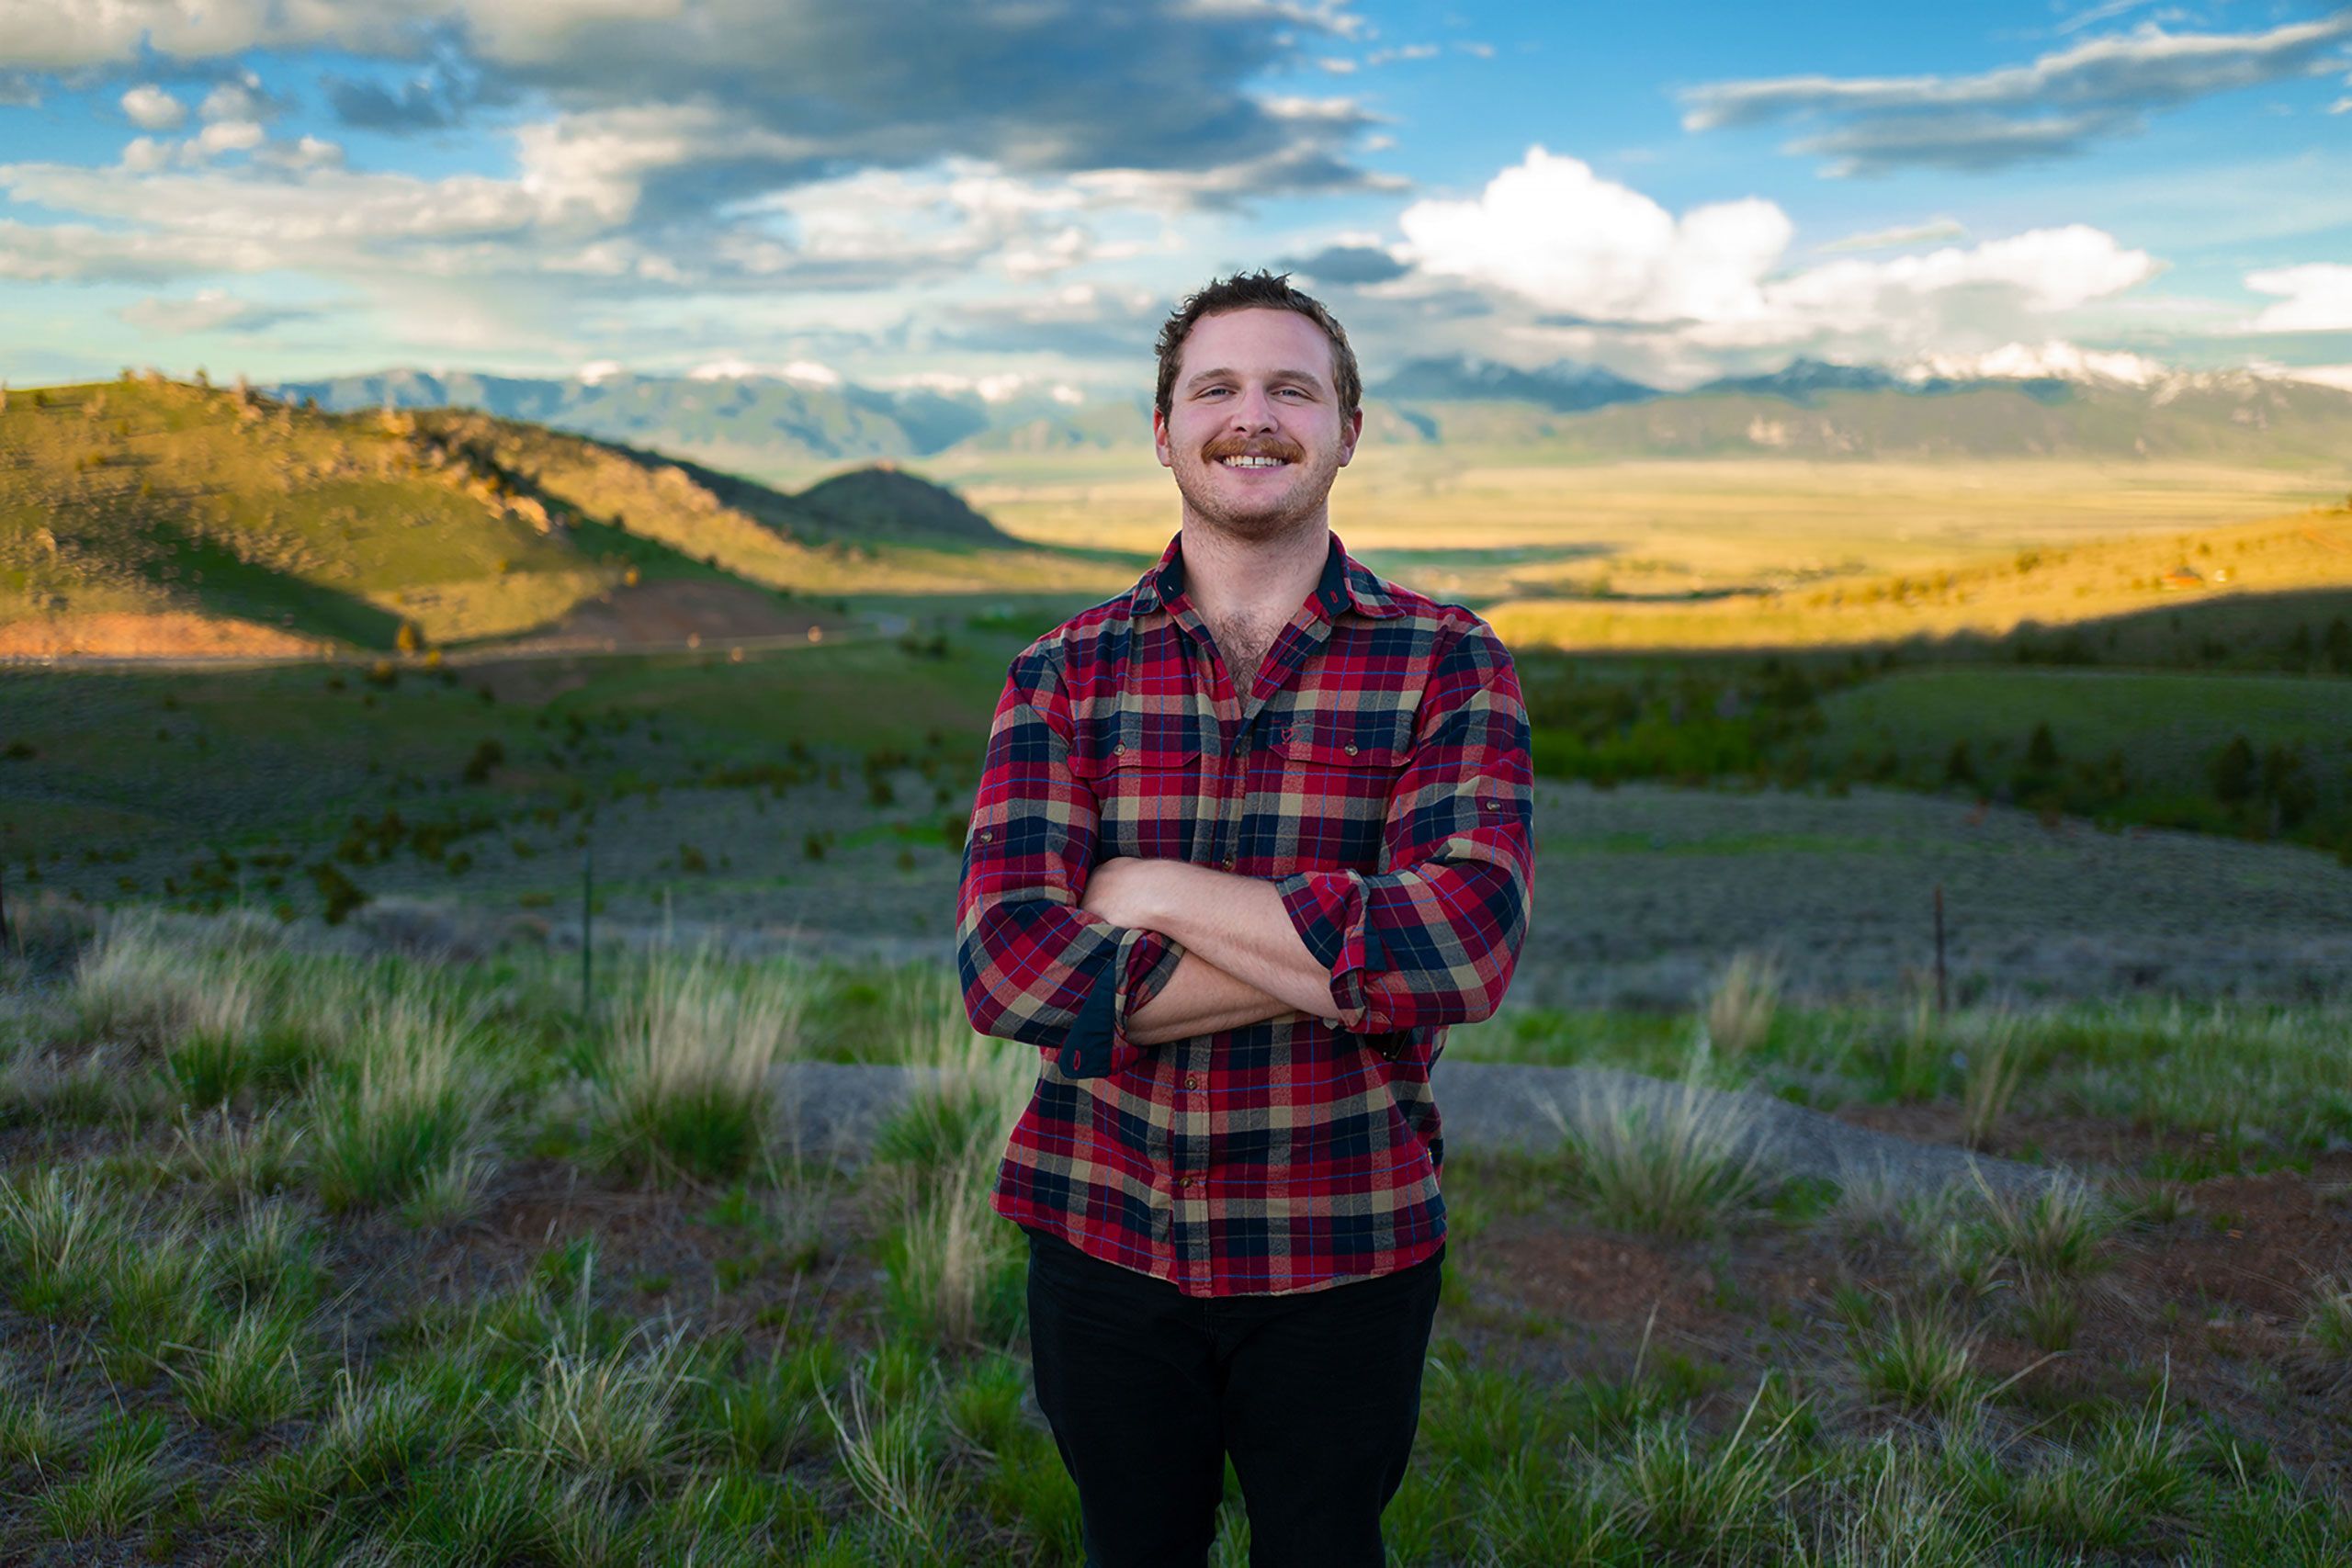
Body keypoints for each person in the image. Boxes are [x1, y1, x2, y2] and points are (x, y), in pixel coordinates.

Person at [956, 269, 1535, 1568]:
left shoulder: (1449, 662)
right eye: (1215, 388)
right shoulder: (1062, 673)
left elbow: (1461, 948)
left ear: (1347, 430)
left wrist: (1149, 895)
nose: (1252, 416)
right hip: (1102, 1234)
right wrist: (1349, 958)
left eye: (1292, 389)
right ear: (1162, 431)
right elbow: (1007, 973)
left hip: (1345, 1236)